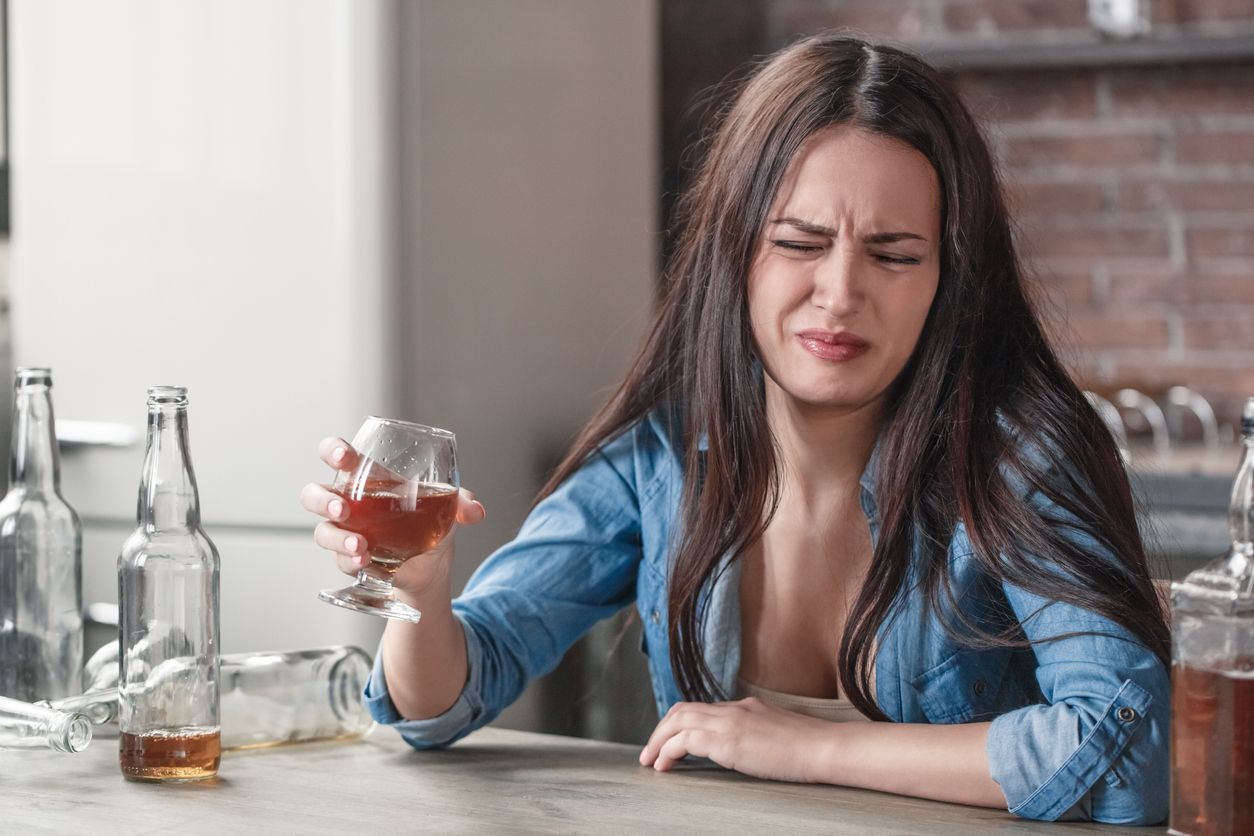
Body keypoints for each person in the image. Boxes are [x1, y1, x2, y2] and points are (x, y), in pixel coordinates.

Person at [301, 32, 1169, 825]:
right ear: (736, 248)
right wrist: (419, 600)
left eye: (894, 254)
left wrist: (811, 747)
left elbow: (1131, 749)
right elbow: (447, 699)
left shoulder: (1018, 456)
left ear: (951, 278)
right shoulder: (658, 457)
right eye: (799, 242)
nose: (839, 293)